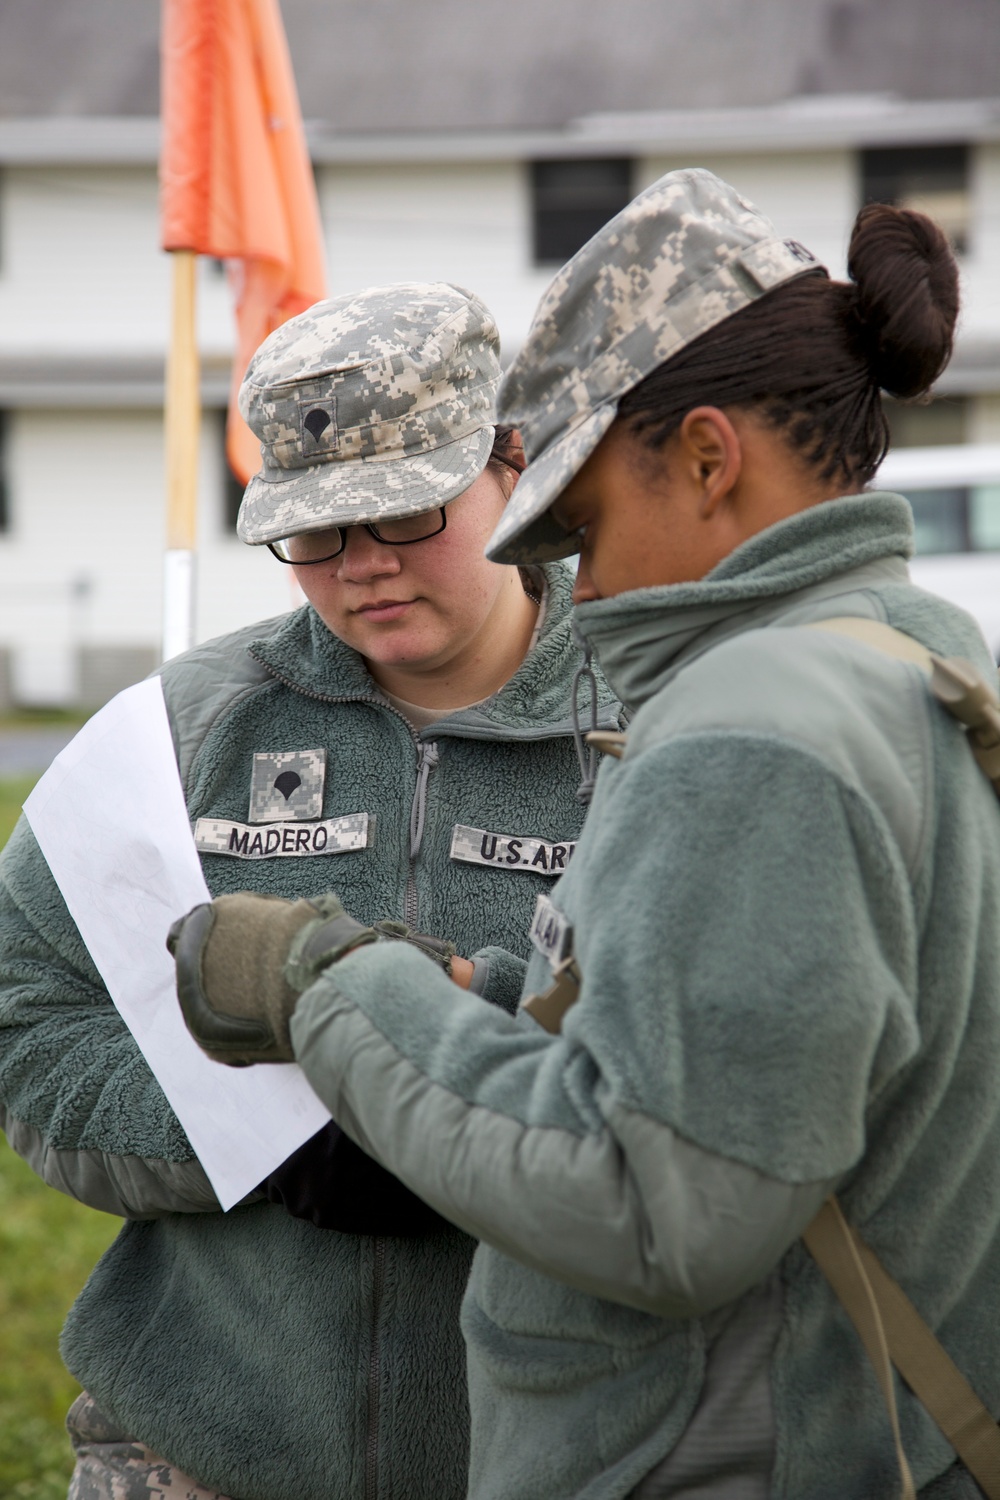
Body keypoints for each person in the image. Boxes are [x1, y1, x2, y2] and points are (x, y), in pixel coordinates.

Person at [173, 171, 1000, 1499]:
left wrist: (326, 982)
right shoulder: (909, 658)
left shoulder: (753, 731)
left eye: (589, 522)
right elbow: (759, 1066)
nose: (582, 582)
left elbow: (653, 1208)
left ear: (710, 457)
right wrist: (486, 1004)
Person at [0, 281, 621, 1500]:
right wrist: (270, 1148)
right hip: (192, 1445)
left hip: (558, 1457)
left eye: (406, 513)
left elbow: (710, 1056)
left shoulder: (650, 724)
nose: (364, 570)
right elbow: (34, 1022)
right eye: (316, 534)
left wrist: (452, 1127)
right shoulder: (173, 737)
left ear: (510, 464)